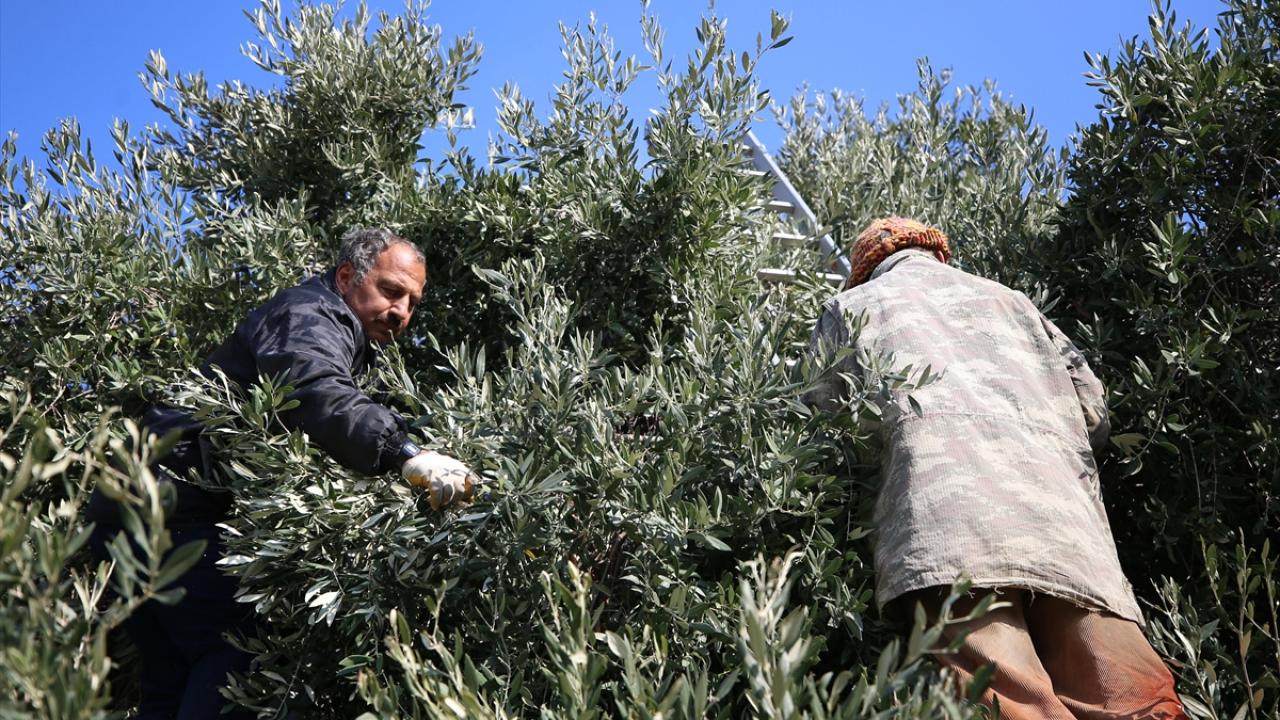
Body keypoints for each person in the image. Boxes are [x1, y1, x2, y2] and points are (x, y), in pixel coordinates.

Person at [85, 228, 475, 720]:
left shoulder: (339, 331)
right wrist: (406, 453)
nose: (401, 312)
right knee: (240, 659)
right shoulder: (310, 315)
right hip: (171, 511)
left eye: (412, 303)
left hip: (130, 513)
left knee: (172, 685)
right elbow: (315, 390)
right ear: (346, 277)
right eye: (391, 291)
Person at [807, 217, 1186, 719]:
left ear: (865, 270)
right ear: (938, 254)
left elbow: (828, 434)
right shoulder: (1014, 302)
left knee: (1012, 704)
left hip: (948, 533)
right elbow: (1093, 411)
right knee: (1136, 702)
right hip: (1067, 531)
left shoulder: (850, 308)